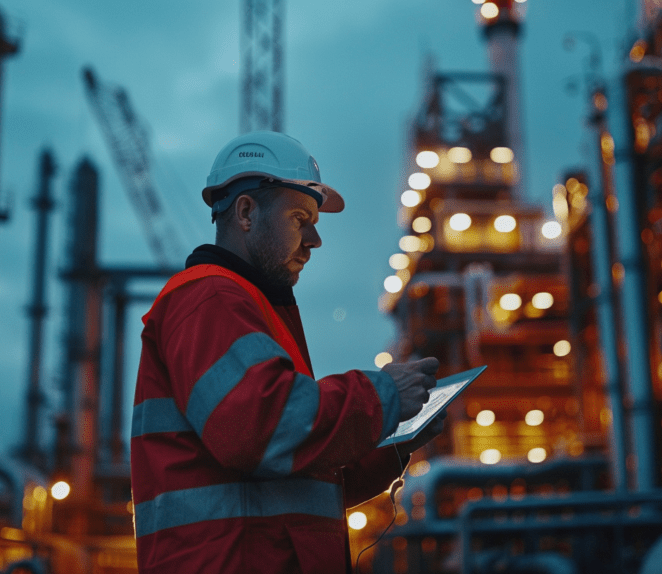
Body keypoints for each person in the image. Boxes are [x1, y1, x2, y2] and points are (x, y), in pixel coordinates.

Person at [131, 131, 444, 573]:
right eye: (300, 217)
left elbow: (301, 478)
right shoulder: (210, 299)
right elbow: (259, 427)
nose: (315, 239)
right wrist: (380, 395)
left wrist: (394, 441)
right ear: (245, 213)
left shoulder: (251, 309)